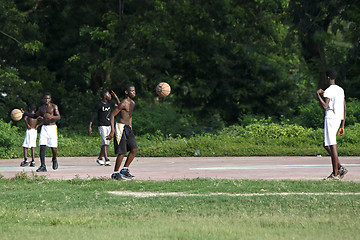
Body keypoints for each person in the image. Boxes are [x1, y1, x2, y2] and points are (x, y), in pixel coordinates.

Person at [316, 69, 348, 180]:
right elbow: (344, 107)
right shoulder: (340, 90)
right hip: (338, 118)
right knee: (326, 144)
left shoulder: (328, 90)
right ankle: (339, 167)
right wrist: (342, 125)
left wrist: (318, 95)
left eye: (325, 77)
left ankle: (335, 174)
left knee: (332, 145)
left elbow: (325, 106)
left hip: (330, 117)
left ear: (328, 78)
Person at [21, 92, 61, 172]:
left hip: (52, 127)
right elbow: (35, 116)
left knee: (53, 147)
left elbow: (59, 117)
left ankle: (54, 159)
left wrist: (51, 116)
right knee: (42, 146)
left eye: (48, 98)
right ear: (43, 99)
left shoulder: (54, 106)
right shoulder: (42, 108)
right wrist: (25, 113)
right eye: (45, 98)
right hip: (44, 128)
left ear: (50, 99)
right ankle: (43, 166)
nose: (46, 100)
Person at [106, 84, 138, 180]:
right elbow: (112, 115)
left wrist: (130, 126)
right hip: (120, 127)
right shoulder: (123, 103)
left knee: (134, 149)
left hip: (128, 128)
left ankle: (125, 169)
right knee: (122, 152)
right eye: (132, 91)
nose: (134, 92)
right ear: (126, 92)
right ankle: (115, 173)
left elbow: (130, 116)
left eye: (134, 91)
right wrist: (112, 131)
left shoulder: (132, 103)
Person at [88, 90, 120, 166]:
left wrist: (116, 97)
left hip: (109, 125)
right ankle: (106, 158)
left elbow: (120, 106)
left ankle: (99, 158)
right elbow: (93, 115)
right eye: (109, 94)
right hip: (101, 125)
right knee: (105, 142)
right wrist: (90, 126)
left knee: (106, 143)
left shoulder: (110, 103)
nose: (110, 96)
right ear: (105, 96)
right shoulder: (99, 105)